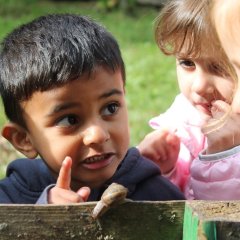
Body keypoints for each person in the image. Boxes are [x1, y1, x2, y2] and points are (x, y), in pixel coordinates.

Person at [0, 14, 185, 204]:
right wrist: (46, 218)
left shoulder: (156, 195)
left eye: (111, 108)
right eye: (70, 120)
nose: (97, 135)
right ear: (23, 139)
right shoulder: (10, 200)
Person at [138, 0, 240, 200]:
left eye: (220, 67)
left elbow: (222, 223)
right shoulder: (184, 122)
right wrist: (163, 171)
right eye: (187, 63)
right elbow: (179, 209)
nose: (199, 86)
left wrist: (223, 159)